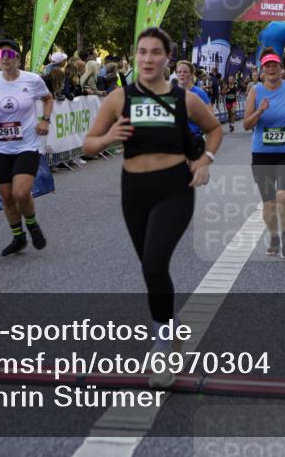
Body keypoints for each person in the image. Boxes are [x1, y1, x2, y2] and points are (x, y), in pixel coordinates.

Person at [82, 28, 221, 385]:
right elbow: (88, 145)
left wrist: (204, 160)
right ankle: (169, 331)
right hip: (134, 190)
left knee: (155, 263)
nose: (147, 59)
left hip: (174, 187)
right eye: (142, 52)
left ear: (167, 58)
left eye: (155, 52)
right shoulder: (118, 97)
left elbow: (214, 130)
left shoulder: (184, 99)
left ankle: (162, 343)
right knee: (149, 267)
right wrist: (109, 138)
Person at [0, 40, 54, 257]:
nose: (5, 58)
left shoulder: (32, 80)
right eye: (1, 54)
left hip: (27, 145)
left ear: (18, 58)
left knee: (20, 193)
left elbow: (48, 98)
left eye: (10, 54)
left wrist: (45, 120)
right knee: (7, 197)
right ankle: (18, 237)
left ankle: (32, 225)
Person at [242, 48, 285, 259]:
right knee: (269, 202)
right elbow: (246, 124)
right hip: (262, 153)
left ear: (281, 69)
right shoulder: (255, 91)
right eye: (267, 66)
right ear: (262, 71)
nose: (271, 69)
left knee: (284, 196)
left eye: (275, 65)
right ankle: (273, 236)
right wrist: (260, 111)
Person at [175, 60, 211, 138]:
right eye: (179, 72)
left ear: (191, 75)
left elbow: (210, 117)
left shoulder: (199, 93)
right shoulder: (171, 92)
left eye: (185, 72)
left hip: (194, 137)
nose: (182, 74)